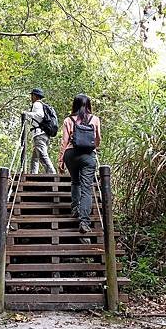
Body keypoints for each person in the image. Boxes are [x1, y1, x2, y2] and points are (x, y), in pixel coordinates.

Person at [58, 94, 101, 234]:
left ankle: (75, 209)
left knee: (75, 182)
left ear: (74, 105)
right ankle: (84, 221)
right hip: (88, 155)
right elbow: (97, 139)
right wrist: (93, 147)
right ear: (88, 105)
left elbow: (64, 142)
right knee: (87, 188)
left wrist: (61, 160)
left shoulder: (68, 120)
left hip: (71, 154)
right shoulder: (94, 119)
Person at [23, 88, 56, 174]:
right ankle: (33, 174)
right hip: (44, 133)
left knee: (42, 155)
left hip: (39, 133)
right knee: (35, 157)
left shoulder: (37, 104)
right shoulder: (41, 104)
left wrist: (26, 113)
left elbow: (40, 115)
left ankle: (52, 173)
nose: (31, 97)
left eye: (32, 95)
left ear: (35, 96)